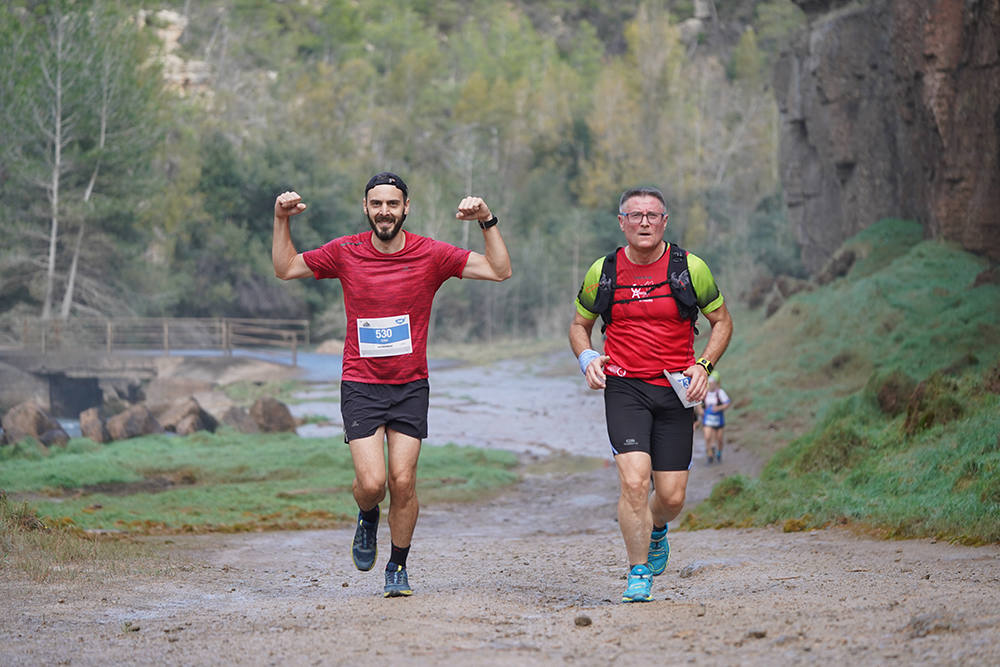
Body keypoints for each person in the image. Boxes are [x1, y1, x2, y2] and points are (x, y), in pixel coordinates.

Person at [272, 172, 511, 597]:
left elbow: (499, 269)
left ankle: (397, 566)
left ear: (406, 208)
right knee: (372, 484)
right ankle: (367, 516)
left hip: (410, 385)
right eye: (377, 204)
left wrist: (487, 220)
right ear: (366, 208)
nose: (385, 212)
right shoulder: (345, 252)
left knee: (403, 481)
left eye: (393, 204)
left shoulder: (431, 254)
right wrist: (280, 219)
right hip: (361, 384)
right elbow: (286, 268)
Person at [568, 186, 733, 603]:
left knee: (672, 497)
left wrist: (704, 366)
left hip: (677, 391)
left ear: (664, 222)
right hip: (624, 387)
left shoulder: (690, 268)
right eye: (635, 215)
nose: (644, 222)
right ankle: (637, 571)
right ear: (621, 222)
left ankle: (657, 527)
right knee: (635, 484)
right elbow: (578, 324)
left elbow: (723, 322)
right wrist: (587, 355)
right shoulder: (602, 271)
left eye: (652, 215)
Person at [696, 372, 731, 464]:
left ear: (716, 383)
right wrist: (700, 410)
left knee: (719, 439)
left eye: (713, 383)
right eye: (709, 383)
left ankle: (719, 453)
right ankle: (709, 455)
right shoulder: (705, 393)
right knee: (707, 437)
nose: (711, 385)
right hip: (707, 419)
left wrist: (718, 408)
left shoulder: (720, 393)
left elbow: (727, 403)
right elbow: (698, 402)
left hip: (718, 419)